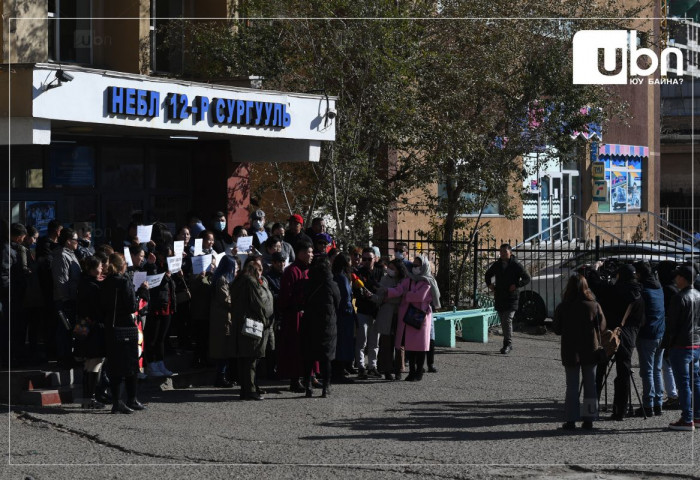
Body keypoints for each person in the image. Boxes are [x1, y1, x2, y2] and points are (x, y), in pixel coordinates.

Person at [589, 263, 645, 421]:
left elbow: (596, 285)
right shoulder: (640, 294)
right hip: (629, 337)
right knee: (623, 373)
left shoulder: (614, 291)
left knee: (599, 369)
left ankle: (591, 408)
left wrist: (594, 269)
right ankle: (620, 411)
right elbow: (641, 320)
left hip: (610, 335)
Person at [553, 274, 605, 431]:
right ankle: (589, 419)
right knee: (590, 385)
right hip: (590, 348)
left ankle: (571, 420)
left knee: (572, 386)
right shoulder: (593, 305)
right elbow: (602, 327)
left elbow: (557, 329)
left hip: (570, 349)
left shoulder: (563, 306)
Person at [100, 253, 147, 414]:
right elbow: (131, 306)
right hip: (126, 327)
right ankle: (131, 399)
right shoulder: (123, 282)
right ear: (122, 266)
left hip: (110, 327)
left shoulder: (105, 282)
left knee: (114, 366)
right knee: (131, 365)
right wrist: (142, 292)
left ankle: (116, 401)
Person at [384, 254, 437, 382]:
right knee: (410, 347)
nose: (415, 268)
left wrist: (406, 295)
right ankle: (411, 371)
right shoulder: (409, 280)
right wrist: (386, 291)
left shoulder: (428, 282)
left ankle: (419, 372)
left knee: (420, 348)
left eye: (418, 266)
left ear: (424, 267)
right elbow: (398, 289)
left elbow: (420, 296)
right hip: (407, 317)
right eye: (414, 265)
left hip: (420, 317)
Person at [231, 256, 274, 401]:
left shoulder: (239, 281)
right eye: (259, 269)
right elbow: (258, 304)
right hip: (252, 324)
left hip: (241, 323)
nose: (261, 273)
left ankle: (246, 390)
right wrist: (265, 319)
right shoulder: (250, 282)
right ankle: (250, 390)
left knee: (245, 359)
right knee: (251, 359)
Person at [665, 264, 700, 431]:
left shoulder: (679, 298)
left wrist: (668, 344)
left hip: (681, 344)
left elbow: (672, 325)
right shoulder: (698, 295)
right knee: (695, 381)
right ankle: (697, 416)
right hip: (696, 343)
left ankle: (687, 418)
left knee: (683, 384)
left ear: (683, 278)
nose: (675, 279)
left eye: (678, 276)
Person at [277, 240, 313, 392]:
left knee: (306, 347)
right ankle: (295, 379)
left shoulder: (309, 270)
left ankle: (309, 377)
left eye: (311, 252)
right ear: (299, 253)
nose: (310, 255)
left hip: (307, 314)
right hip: (294, 315)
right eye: (307, 252)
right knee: (294, 348)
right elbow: (285, 295)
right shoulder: (292, 271)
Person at [301, 258, 340, 397]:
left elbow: (302, 300)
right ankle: (326, 387)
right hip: (327, 323)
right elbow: (338, 301)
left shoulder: (307, 283)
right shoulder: (332, 284)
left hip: (309, 322)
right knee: (326, 357)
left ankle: (308, 386)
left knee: (309, 356)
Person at [484, 244, 531, 354]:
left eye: (505, 251)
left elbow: (527, 278)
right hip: (500, 295)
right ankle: (507, 342)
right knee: (503, 320)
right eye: (501, 252)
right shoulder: (497, 264)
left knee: (507, 319)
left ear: (510, 252)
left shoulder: (516, 264)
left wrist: (517, 284)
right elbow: (487, 275)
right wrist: (489, 285)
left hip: (512, 296)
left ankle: (507, 344)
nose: (503, 254)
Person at [633, 261, 666, 417]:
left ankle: (648, 405)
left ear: (639, 274)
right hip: (661, 332)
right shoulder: (658, 287)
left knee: (647, 371)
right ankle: (658, 403)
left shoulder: (643, 291)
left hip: (647, 334)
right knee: (656, 369)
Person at [75, 256, 107, 409]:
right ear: (94, 269)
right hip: (94, 328)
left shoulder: (83, 282)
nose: (102, 269)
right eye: (101, 267)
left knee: (88, 364)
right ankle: (90, 399)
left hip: (83, 325)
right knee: (95, 362)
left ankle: (86, 399)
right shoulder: (94, 286)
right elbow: (99, 308)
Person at [144, 244, 177, 378]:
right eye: (168, 255)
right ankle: (151, 364)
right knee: (153, 337)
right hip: (156, 306)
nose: (170, 258)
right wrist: (153, 266)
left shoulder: (169, 267)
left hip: (167, 306)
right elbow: (153, 283)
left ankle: (160, 362)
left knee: (162, 338)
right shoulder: (152, 266)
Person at [52, 227, 82, 368]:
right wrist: (65, 299)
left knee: (70, 330)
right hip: (64, 299)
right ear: (69, 241)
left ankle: (68, 356)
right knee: (64, 328)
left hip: (72, 297)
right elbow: (61, 280)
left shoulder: (72, 254)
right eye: (76, 240)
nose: (78, 243)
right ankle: (63, 358)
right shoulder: (62, 255)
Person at [353, 247, 383, 379]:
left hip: (376, 311)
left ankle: (372, 366)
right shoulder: (358, 272)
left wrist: (375, 293)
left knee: (374, 341)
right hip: (363, 310)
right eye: (363, 259)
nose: (366, 261)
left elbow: (383, 289)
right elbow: (356, 291)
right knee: (361, 341)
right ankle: (360, 366)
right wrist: (363, 294)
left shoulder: (380, 272)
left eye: (369, 259)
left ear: (375, 259)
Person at [209, 254, 238, 388]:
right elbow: (226, 300)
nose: (236, 270)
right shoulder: (222, 280)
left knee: (225, 349)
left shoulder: (226, 279)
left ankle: (224, 376)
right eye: (235, 267)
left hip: (225, 318)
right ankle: (220, 377)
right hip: (222, 319)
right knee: (222, 350)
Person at [376, 259, 408, 380]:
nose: (389, 270)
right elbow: (380, 295)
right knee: (386, 343)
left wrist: (388, 298)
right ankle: (387, 370)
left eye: (392, 268)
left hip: (399, 315)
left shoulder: (404, 281)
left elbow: (402, 297)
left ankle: (399, 369)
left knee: (399, 344)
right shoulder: (384, 279)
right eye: (389, 267)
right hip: (386, 315)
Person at [331, 253, 357, 383]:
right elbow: (346, 297)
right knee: (343, 344)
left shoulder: (335, 276)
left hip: (337, 313)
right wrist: (349, 311)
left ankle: (338, 371)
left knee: (339, 343)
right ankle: (339, 372)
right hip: (344, 315)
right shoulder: (342, 278)